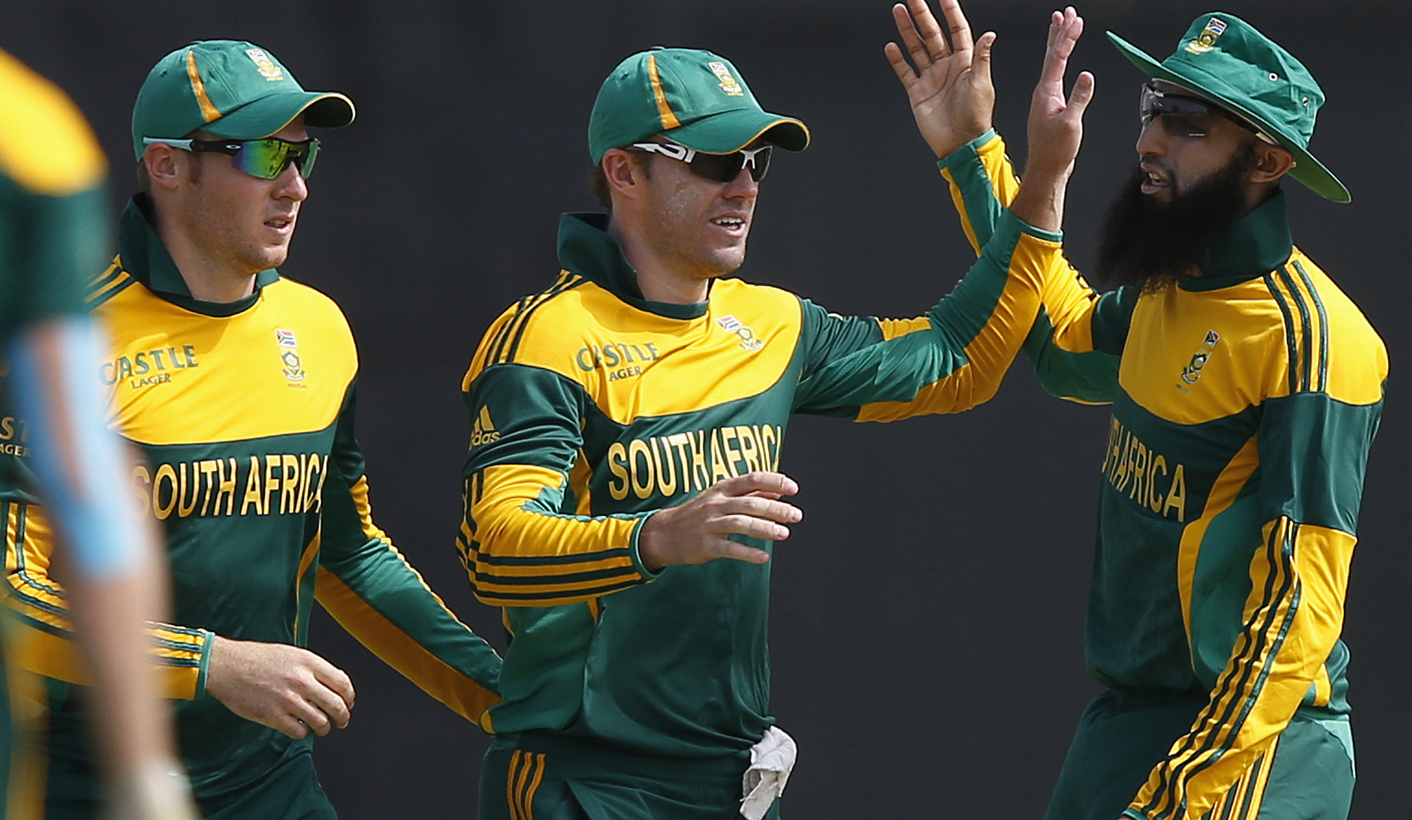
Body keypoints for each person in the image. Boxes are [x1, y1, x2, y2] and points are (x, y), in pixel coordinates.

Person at [456, 3, 1092, 816]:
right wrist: (656, 536)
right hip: (586, 780)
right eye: (717, 159)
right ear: (623, 172)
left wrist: (1027, 178)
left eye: (757, 160)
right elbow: (495, 551)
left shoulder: (770, 322)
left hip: (733, 781)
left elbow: (958, 360)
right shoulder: (545, 340)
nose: (745, 184)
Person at [1, 40, 503, 819]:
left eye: (304, 156)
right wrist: (211, 664)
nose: (296, 187)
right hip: (85, 790)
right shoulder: (65, 345)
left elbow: (347, 553)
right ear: (167, 166)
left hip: (272, 788)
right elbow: (13, 596)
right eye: (266, 155)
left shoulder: (318, 326)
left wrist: (506, 701)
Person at [921, 4, 1386, 819]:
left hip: (1253, 741)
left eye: (1186, 122)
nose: (1148, 140)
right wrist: (976, 154)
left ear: (1268, 160)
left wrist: (1184, 791)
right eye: (1152, 108)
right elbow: (1063, 343)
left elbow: (1297, 611)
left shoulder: (1313, 342)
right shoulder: (1168, 287)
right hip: (1130, 719)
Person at [0, 46, 199, 820]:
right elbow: (83, 479)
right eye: (262, 152)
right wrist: (145, 774)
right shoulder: (32, 146)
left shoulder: (36, 151)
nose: (292, 182)